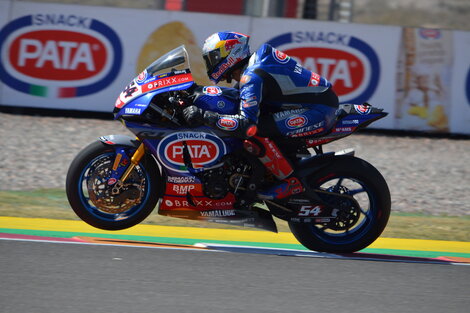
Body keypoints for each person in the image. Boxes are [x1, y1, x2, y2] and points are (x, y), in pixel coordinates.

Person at [182, 31, 339, 200]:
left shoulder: (252, 76)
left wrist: (205, 116)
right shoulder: (253, 65)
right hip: (315, 102)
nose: (211, 64)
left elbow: (245, 124)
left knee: (254, 129)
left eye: (213, 58)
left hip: (318, 111)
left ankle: (291, 182)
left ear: (229, 54)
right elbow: (236, 95)